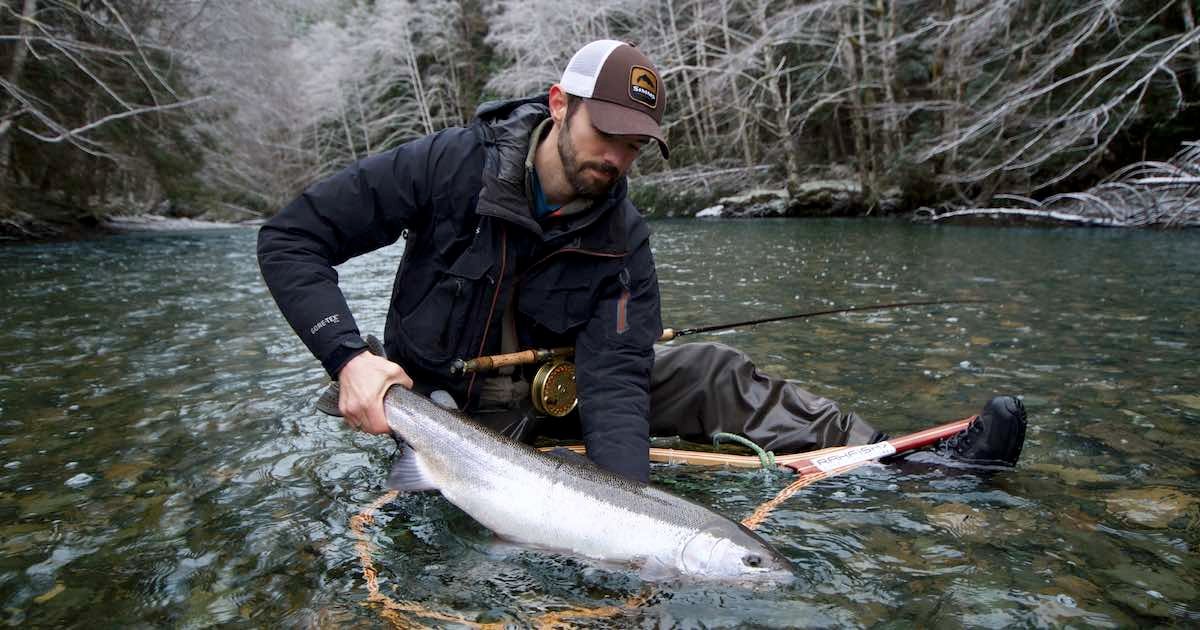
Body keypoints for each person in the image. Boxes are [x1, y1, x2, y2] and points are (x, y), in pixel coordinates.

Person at [258, 40, 1026, 484]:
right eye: (608, 133)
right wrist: (347, 357)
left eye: (636, 145)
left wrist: (625, 504)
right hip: (439, 409)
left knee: (714, 373)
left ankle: (899, 459)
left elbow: (618, 382)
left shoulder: (624, 238)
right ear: (560, 104)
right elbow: (292, 239)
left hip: (560, 402)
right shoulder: (446, 167)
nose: (617, 158)